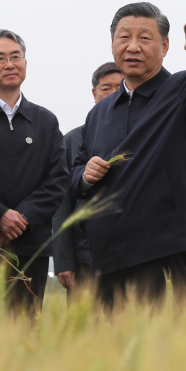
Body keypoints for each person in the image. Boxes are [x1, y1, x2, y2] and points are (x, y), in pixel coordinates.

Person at [70, 2, 186, 310]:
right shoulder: (99, 113)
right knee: (117, 338)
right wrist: (85, 175)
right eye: (124, 37)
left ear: (165, 46)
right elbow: (75, 174)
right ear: (112, 44)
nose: (133, 46)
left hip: (170, 251)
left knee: (176, 338)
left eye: (144, 38)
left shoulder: (184, 90)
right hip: (110, 255)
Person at [0, 29, 67, 312]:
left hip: (30, 247)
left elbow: (57, 180)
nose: (10, 64)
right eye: (0, 58)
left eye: (16, 57)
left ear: (25, 62)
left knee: (27, 326)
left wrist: (20, 218)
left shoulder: (45, 120)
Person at [53, 62, 123, 297]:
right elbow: (62, 204)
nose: (112, 93)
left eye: (119, 87)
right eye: (106, 88)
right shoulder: (73, 140)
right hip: (85, 256)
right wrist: (64, 260)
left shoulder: (140, 136)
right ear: (94, 93)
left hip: (131, 253)